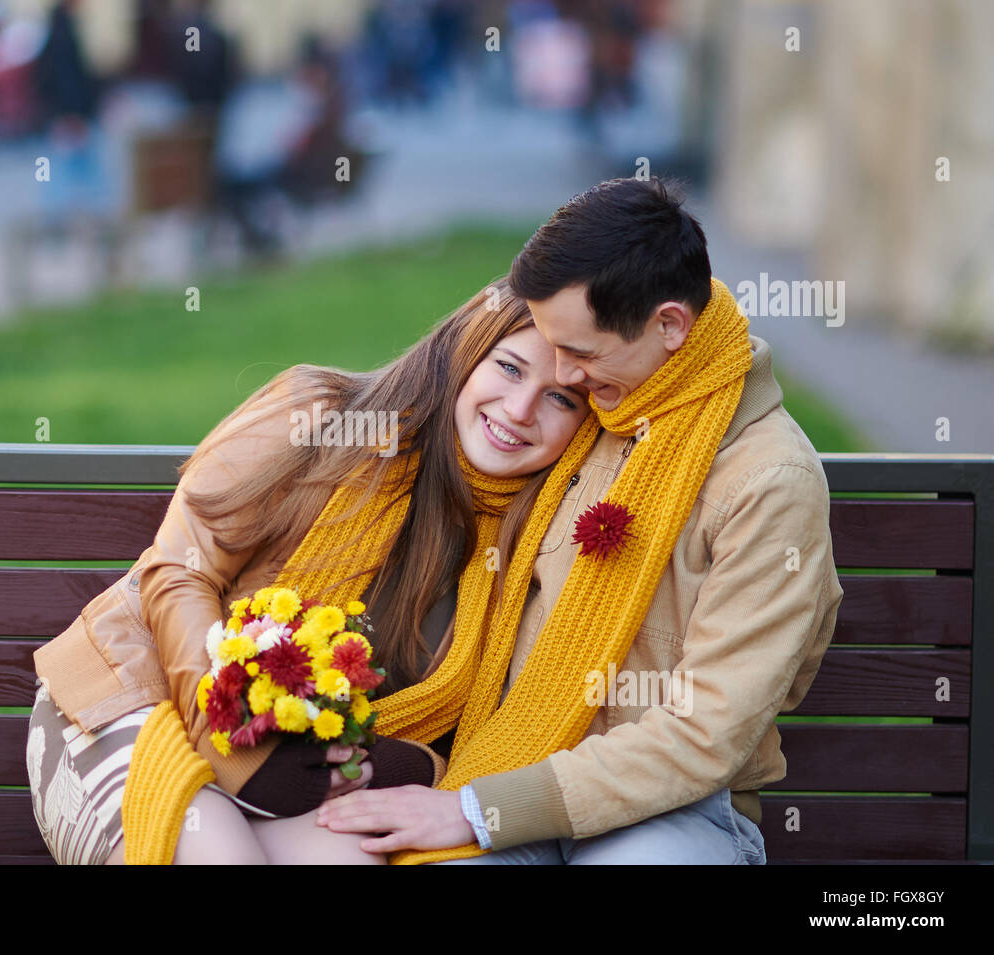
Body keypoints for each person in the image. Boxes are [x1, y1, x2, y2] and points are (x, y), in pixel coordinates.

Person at [315, 177, 844, 865]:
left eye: (583, 354)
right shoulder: (595, 414)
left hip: (673, 814)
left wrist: (481, 808)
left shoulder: (770, 484)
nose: (563, 374)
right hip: (507, 766)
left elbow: (706, 731)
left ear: (670, 328)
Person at [27, 278, 590, 864]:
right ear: (467, 351)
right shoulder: (318, 414)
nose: (520, 410)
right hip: (137, 700)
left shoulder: (534, 544)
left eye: (562, 398)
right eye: (510, 367)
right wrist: (235, 750)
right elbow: (178, 572)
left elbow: (466, 731)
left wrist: (397, 765)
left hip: (302, 776)